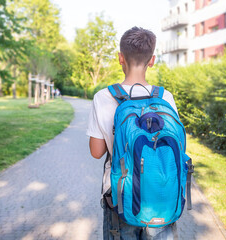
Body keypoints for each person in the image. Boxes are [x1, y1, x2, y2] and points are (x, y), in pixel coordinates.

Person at [86, 27, 179, 239]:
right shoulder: (165, 98)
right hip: (162, 195)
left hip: (121, 197)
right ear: (152, 60)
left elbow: (96, 152)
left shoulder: (103, 97)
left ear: (120, 58)